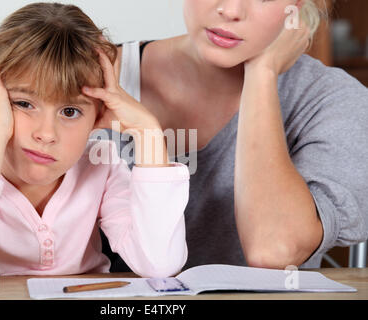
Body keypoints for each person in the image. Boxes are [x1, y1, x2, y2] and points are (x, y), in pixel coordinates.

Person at [0, 3, 190, 290]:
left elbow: (159, 264)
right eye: (24, 103)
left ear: (98, 115)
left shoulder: (102, 166)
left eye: (70, 112)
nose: (46, 134)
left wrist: (148, 133)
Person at [104, 0, 368, 271]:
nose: (231, 11)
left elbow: (274, 251)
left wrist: (262, 72)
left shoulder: (331, 100)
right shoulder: (91, 74)